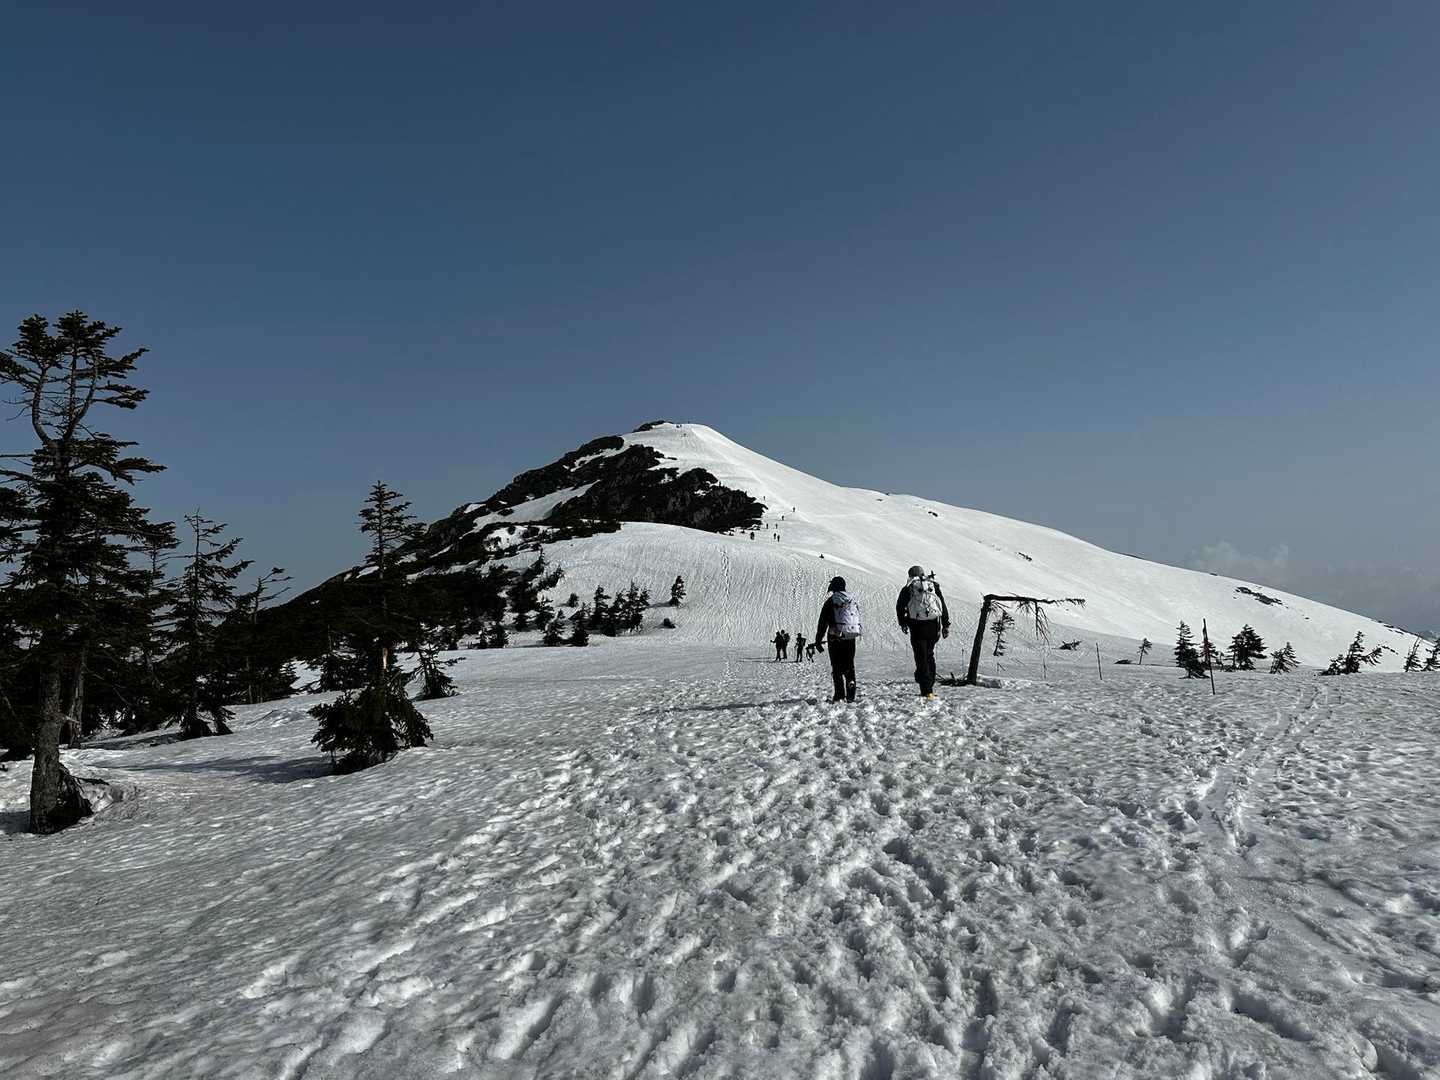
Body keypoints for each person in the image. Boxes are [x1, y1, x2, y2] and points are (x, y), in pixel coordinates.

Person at [897, 565, 949, 699]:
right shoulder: (933, 586)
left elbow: (900, 607)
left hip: (917, 627)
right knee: (929, 655)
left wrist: (903, 623)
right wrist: (945, 625)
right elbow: (941, 604)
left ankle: (926, 689)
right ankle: (928, 683)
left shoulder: (908, 588)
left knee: (921, 657)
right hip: (933, 626)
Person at [815, 576, 862, 702]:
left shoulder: (831, 601)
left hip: (834, 637)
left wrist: (818, 640)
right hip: (850, 636)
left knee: (836, 667)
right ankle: (851, 693)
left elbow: (822, 623)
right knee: (849, 665)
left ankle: (839, 695)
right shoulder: (851, 600)